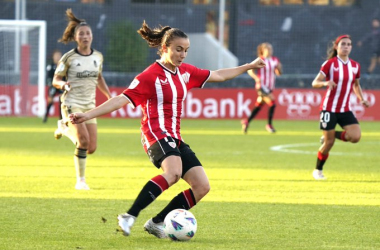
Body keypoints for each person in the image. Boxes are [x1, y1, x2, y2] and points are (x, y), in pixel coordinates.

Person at [69, 21, 265, 238]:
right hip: (155, 133)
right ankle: (129, 215)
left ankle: (156, 222)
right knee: (173, 173)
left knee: (202, 187)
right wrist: (87, 115)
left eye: (186, 50)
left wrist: (248, 66)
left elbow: (219, 75)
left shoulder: (185, 73)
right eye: (178, 49)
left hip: (175, 137)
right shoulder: (149, 76)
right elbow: (120, 99)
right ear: (165, 48)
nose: (183, 55)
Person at [52, 9, 112, 190]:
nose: (85, 36)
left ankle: (63, 128)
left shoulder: (98, 56)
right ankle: (81, 181)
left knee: (91, 147)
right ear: (76, 37)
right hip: (72, 103)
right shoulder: (69, 57)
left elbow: (99, 78)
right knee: (83, 142)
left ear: (92, 36)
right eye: (81, 34)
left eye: (88, 33)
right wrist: (64, 86)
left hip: (89, 105)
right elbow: (55, 80)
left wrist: (109, 96)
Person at [311, 34, 370, 180]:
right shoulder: (329, 64)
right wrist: (325, 83)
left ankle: (328, 135)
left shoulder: (355, 66)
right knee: (329, 143)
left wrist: (361, 99)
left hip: (344, 109)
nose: (346, 47)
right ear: (336, 47)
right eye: (343, 44)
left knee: (355, 137)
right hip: (328, 109)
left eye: (349, 44)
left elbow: (356, 85)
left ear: (351, 47)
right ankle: (318, 170)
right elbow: (315, 82)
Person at [241, 42, 282, 134]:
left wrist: (279, 69)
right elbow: (250, 70)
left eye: (271, 49)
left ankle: (246, 122)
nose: (270, 51)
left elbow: (279, 73)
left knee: (258, 106)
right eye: (268, 49)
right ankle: (269, 125)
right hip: (262, 86)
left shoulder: (275, 60)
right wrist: (256, 78)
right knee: (273, 103)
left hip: (270, 86)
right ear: (263, 50)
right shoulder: (260, 60)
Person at [43, 50, 63, 123]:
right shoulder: (50, 66)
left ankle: (61, 118)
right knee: (50, 101)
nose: (57, 57)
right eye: (56, 56)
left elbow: (65, 77)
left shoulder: (63, 66)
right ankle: (45, 116)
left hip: (61, 85)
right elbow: (48, 77)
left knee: (62, 101)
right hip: (53, 85)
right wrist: (50, 84)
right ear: (53, 57)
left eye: (59, 56)